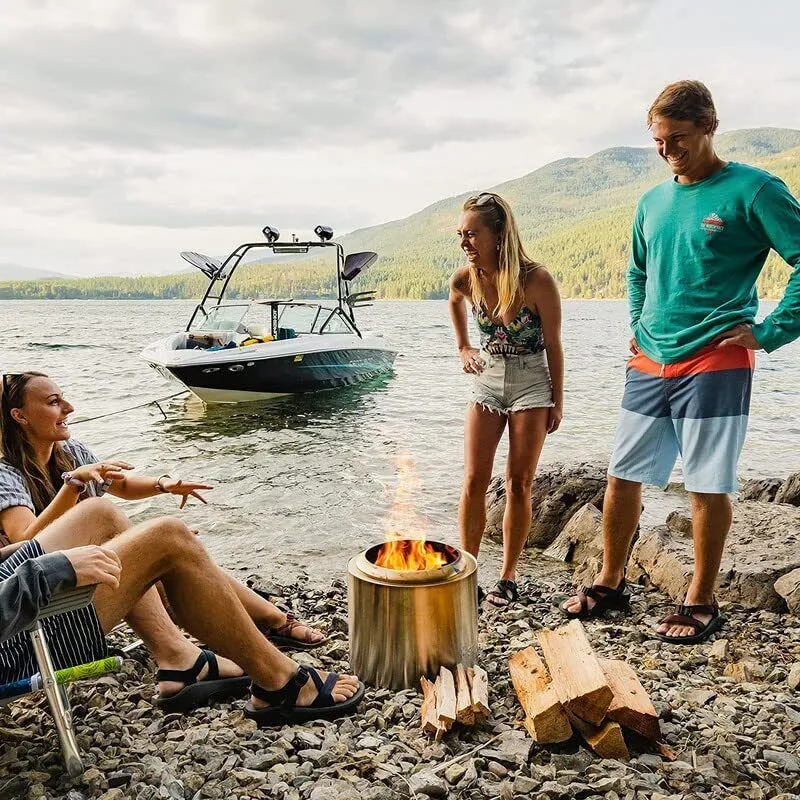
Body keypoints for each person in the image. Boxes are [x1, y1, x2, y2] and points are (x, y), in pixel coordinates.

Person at [561, 80, 800, 643]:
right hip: (650, 357)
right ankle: (610, 580)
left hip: (717, 359)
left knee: (706, 484)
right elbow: (638, 271)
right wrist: (637, 325)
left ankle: (701, 598)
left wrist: (768, 332)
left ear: (710, 127)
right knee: (622, 477)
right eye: (659, 141)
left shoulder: (755, 190)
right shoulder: (652, 201)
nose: (668, 151)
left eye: (678, 139)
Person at [0, 372, 328, 711]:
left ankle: (210, 644)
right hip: (30, 622)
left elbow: (120, 484)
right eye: (54, 402)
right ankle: (269, 657)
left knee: (122, 522)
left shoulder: (70, 452)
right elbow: (26, 540)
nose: (69, 407)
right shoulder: (6, 474)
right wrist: (73, 488)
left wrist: (163, 484)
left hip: (56, 585)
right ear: (19, 416)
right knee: (167, 544)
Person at [0, 506, 363, 725]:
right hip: (13, 636)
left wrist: (31, 557)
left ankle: (179, 658)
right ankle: (280, 684)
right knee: (169, 537)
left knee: (100, 514)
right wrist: (52, 569)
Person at [448, 192, 564, 607]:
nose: (465, 242)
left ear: (498, 235)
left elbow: (553, 344)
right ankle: (466, 571)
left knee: (519, 483)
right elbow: (454, 302)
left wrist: (558, 400)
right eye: (461, 234)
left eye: (473, 234)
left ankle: (509, 576)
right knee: (474, 480)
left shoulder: (537, 279)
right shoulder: (466, 277)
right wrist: (464, 347)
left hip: (533, 381)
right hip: (488, 379)